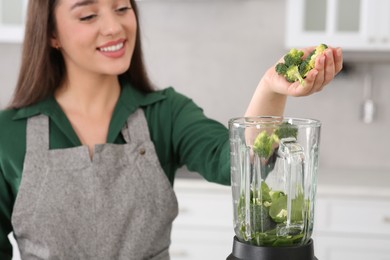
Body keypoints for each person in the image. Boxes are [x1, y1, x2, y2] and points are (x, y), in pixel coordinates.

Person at [0, 0, 343, 259]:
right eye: (88, 15)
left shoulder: (165, 113)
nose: (114, 27)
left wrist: (270, 89)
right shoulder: (8, 133)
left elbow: (238, 163)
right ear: (52, 34)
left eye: (122, 8)